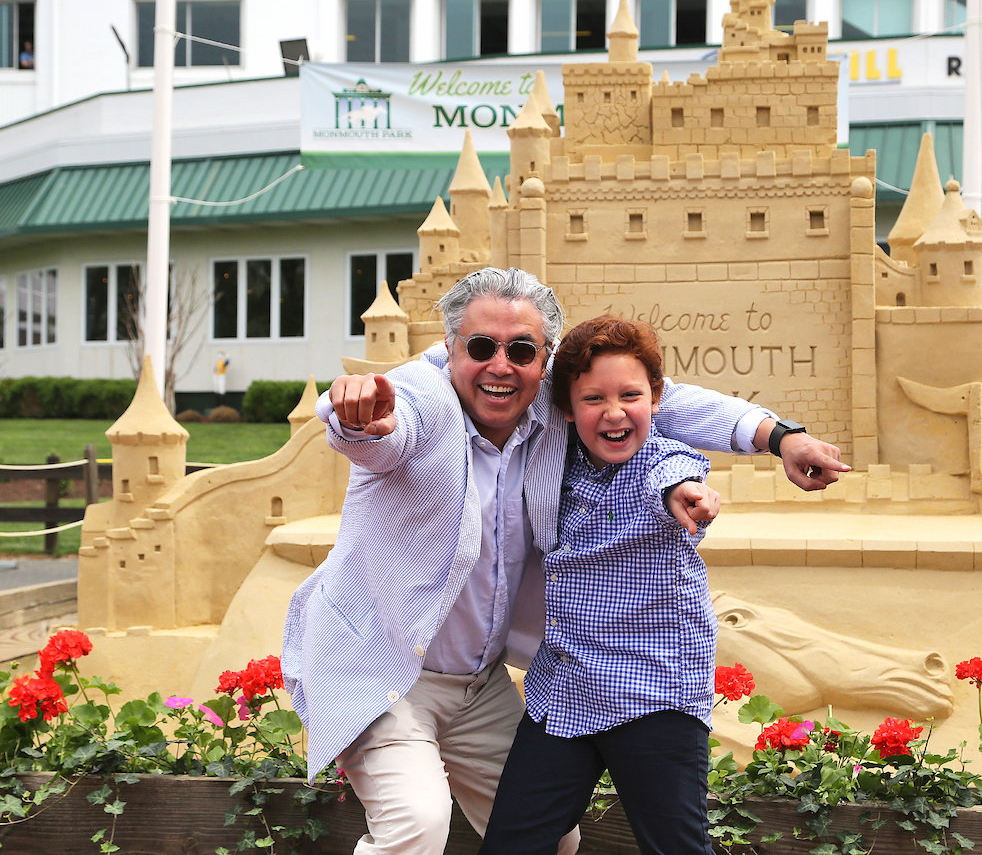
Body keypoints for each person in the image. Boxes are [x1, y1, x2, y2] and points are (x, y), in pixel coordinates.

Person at [281, 267, 848, 855]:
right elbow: (382, 431)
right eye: (480, 347)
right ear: (450, 349)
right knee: (416, 827)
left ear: (544, 359)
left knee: (552, 839)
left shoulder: (553, 400)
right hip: (389, 674)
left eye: (521, 350)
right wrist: (359, 421)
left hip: (483, 686)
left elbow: (667, 407)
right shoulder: (421, 396)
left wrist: (781, 437)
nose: (500, 365)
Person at [478, 315, 722, 855]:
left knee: (677, 847)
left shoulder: (662, 462)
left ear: (655, 399)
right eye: (593, 399)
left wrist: (688, 495)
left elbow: (677, 475)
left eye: (630, 395)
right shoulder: (557, 468)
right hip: (563, 694)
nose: (614, 413)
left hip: (654, 699)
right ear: (568, 410)